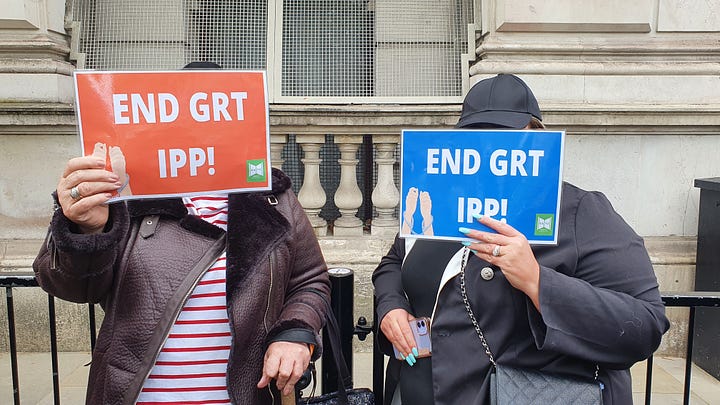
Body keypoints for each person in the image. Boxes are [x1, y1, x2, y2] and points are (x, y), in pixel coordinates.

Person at [33, 61, 330, 405]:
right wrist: (86, 227)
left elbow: (310, 280)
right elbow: (71, 286)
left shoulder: (272, 196)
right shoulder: (122, 194)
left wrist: (294, 334)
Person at [373, 73, 670, 405]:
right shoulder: (439, 203)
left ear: (536, 138)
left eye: (505, 135)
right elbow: (394, 263)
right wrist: (391, 308)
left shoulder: (580, 212)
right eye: (477, 135)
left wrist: (537, 281)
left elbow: (644, 325)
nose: (491, 148)